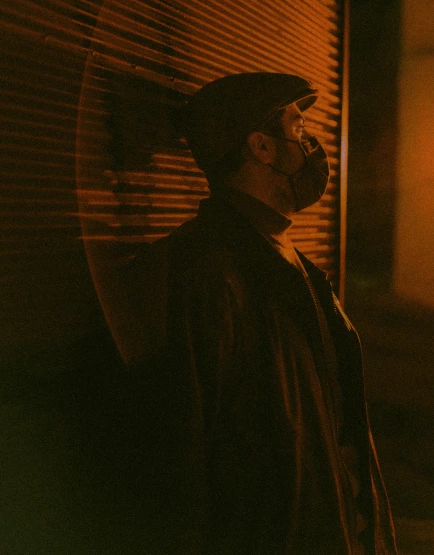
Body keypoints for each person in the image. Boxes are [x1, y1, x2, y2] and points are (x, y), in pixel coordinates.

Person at [123, 71, 397, 555]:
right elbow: (182, 457)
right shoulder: (206, 271)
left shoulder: (284, 258)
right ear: (261, 147)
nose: (312, 146)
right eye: (298, 129)